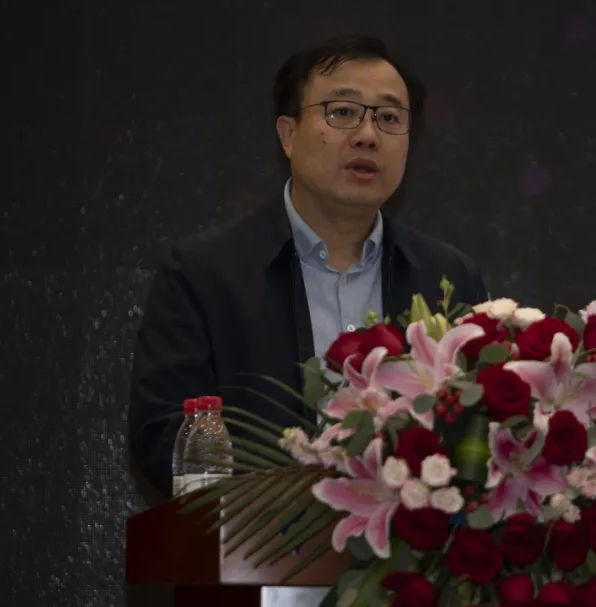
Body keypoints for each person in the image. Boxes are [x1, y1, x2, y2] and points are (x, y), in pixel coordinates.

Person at [128, 34, 489, 500]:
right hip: (259, 540)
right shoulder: (203, 275)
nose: (367, 135)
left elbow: (480, 436)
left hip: (409, 543)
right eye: (342, 112)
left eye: (389, 118)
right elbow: (163, 436)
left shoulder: (449, 277)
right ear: (288, 135)